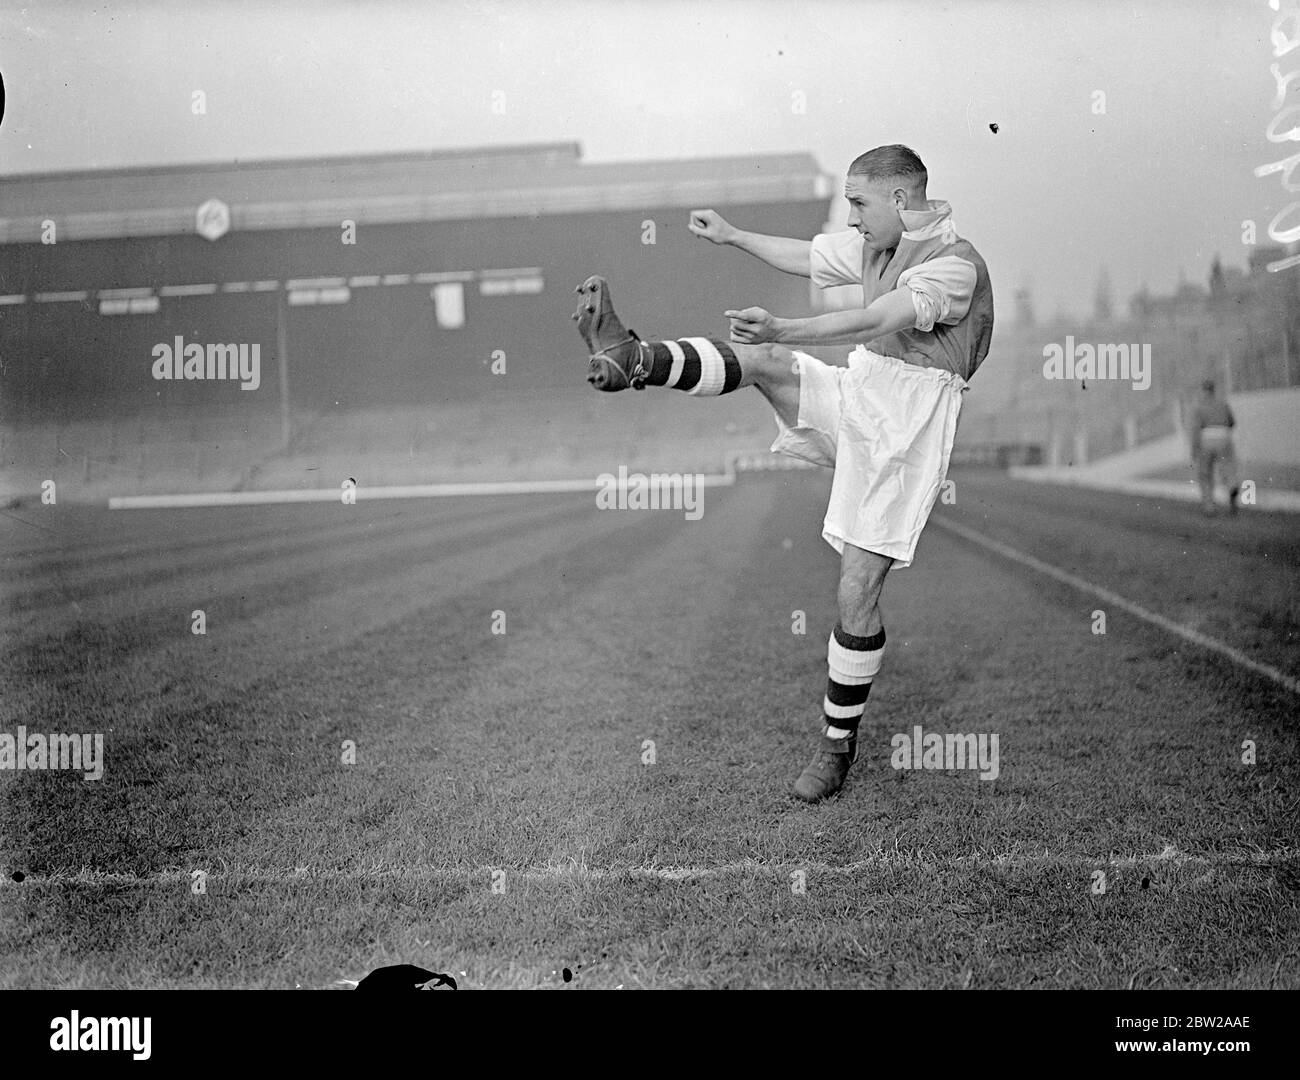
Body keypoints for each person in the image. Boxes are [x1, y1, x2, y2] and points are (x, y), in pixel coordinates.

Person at [572, 144, 993, 802]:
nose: (851, 217)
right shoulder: (878, 244)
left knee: (856, 590)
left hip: (906, 429)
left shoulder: (954, 268)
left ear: (901, 201)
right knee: (763, 359)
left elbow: (880, 316)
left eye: (859, 203)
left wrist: (790, 325)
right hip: (864, 387)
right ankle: (636, 358)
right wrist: (735, 237)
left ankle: (835, 748)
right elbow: (808, 254)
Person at [1189, 379, 1240, 516]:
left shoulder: (1199, 407)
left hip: (1207, 439)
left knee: (1205, 473)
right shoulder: (1223, 404)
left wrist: (1194, 449)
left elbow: (1195, 430)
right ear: (1213, 390)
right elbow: (1232, 422)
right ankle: (1232, 486)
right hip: (1224, 438)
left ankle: (1209, 506)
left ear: (1203, 391)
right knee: (1228, 467)